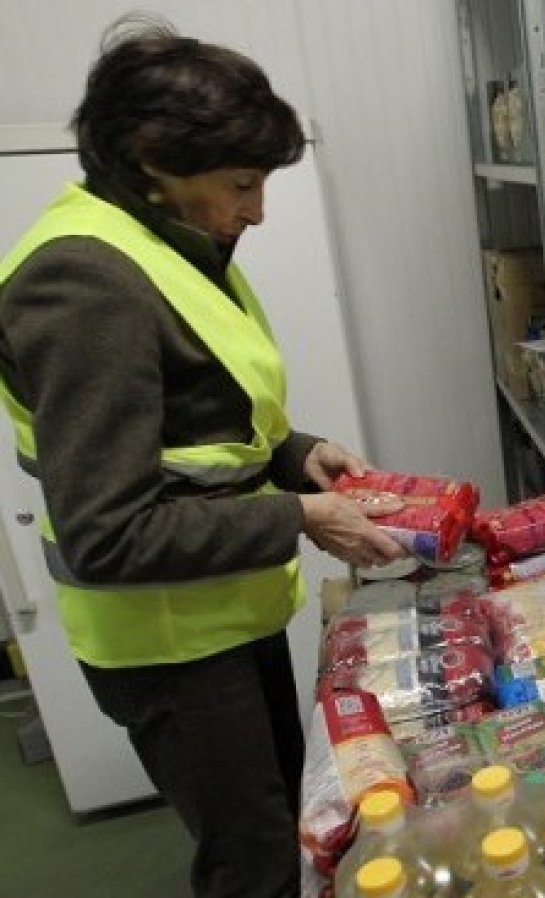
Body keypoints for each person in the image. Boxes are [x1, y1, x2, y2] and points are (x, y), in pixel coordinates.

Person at [0, 19, 407, 897]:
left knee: (286, 824)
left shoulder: (168, 243)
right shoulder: (86, 285)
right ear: (154, 160)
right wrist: (299, 516)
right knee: (252, 865)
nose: (256, 210)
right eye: (242, 184)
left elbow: (194, 420)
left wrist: (296, 457)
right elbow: (108, 531)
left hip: (223, 610)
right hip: (168, 643)